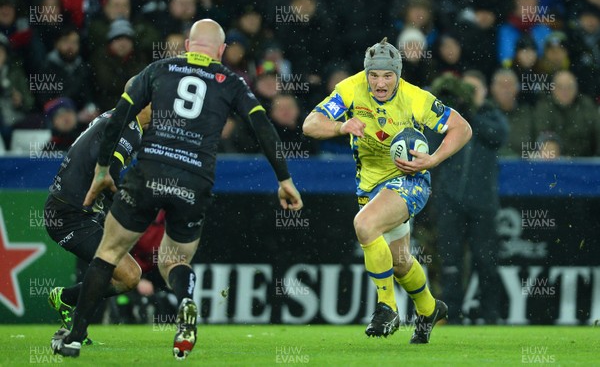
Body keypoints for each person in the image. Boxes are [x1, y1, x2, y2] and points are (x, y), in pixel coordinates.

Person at [51, 19, 303, 360]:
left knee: (108, 254)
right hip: (195, 179)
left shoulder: (158, 70)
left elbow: (118, 116)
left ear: (187, 44)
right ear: (221, 50)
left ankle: (74, 337)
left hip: (151, 169)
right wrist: (284, 178)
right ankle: (186, 302)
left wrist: (102, 171)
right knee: (176, 259)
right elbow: (262, 126)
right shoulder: (229, 80)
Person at [302, 37, 472, 343]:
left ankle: (387, 307)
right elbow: (310, 124)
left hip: (410, 179)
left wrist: (433, 159)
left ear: (398, 74)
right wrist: (341, 126)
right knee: (400, 261)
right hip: (371, 185)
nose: (380, 82)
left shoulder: (414, 97)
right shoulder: (350, 89)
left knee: (364, 225)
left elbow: (462, 127)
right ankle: (429, 308)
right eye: (374, 75)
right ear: (366, 74)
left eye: (388, 75)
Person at [44, 78, 151, 343]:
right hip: (69, 215)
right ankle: (72, 322)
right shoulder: (129, 128)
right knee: (127, 275)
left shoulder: (115, 117)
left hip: (79, 210)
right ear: (143, 103)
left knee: (130, 276)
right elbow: (108, 175)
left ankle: (68, 305)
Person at [430, 71, 509, 324]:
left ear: (484, 92)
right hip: (450, 201)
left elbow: (498, 136)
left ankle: (491, 315)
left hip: (483, 204)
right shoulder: (450, 118)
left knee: (486, 260)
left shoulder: (490, 114)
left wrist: (470, 114)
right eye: (466, 90)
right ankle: (452, 316)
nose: (470, 95)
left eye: (474, 91)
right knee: (451, 262)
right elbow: (431, 140)